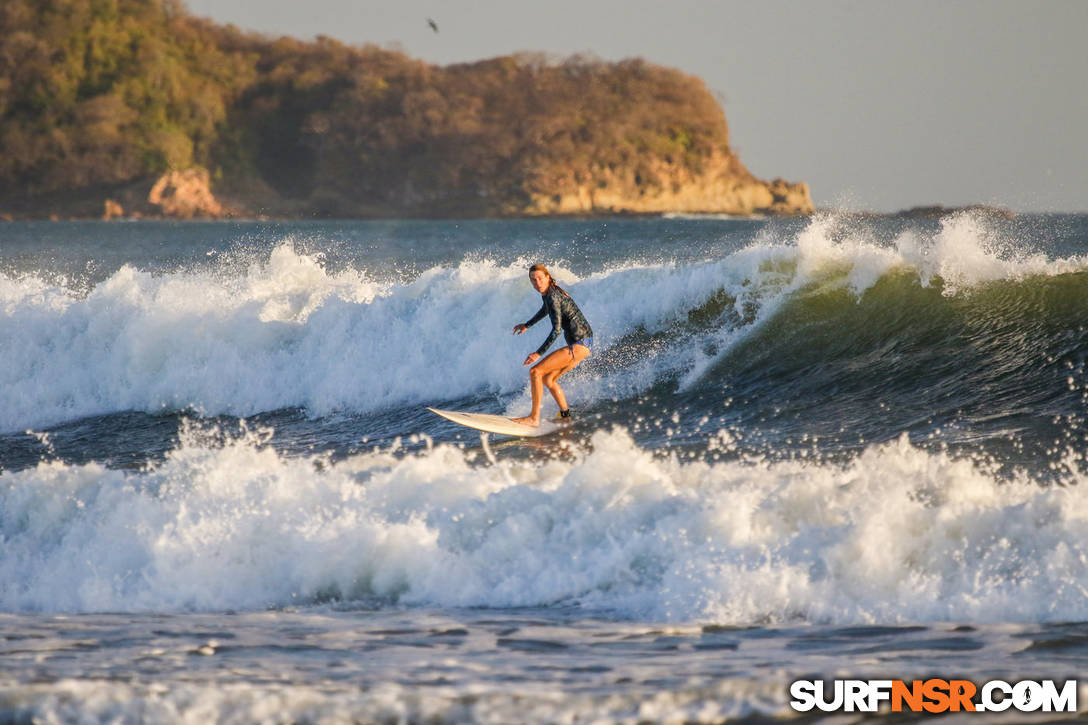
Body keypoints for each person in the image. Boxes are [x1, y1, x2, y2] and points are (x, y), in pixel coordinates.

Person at [511, 264, 593, 426]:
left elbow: (556, 330)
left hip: (579, 344)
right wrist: (527, 325)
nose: (537, 283)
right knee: (549, 379)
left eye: (540, 278)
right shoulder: (550, 294)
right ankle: (565, 417)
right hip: (585, 344)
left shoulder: (553, 296)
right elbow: (546, 309)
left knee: (535, 371)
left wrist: (538, 353)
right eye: (533, 280)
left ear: (548, 277)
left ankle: (533, 418)